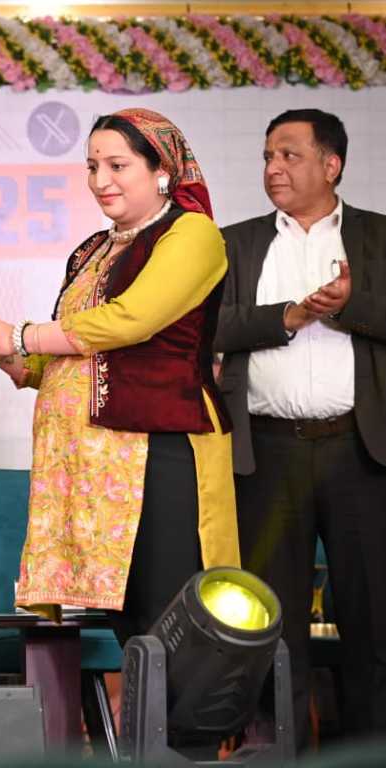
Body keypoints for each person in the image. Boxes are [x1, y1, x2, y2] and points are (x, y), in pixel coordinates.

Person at [0, 108, 239, 643]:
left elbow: (131, 320)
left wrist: (18, 335)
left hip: (159, 449)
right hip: (93, 464)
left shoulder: (191, 233)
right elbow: (51, 366)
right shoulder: (93, 249)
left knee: (170, 614)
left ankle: (183, 706)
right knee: (128, 623)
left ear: (161, 171)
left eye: (117, 165)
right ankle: (139, 702)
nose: (100, 180)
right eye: (91, 166)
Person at [215, 108, 386, 747]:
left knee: (373, 619)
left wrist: (350, 307)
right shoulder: (234, 243)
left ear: (331, 165)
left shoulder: (378, 236)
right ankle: (276, 753)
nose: (273, 168)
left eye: (289, 155)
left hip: (361, 451)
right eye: (267, 156)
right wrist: (284, 316)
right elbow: (207, 327)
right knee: (269, 624)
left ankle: (369, 752)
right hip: (266, 454)